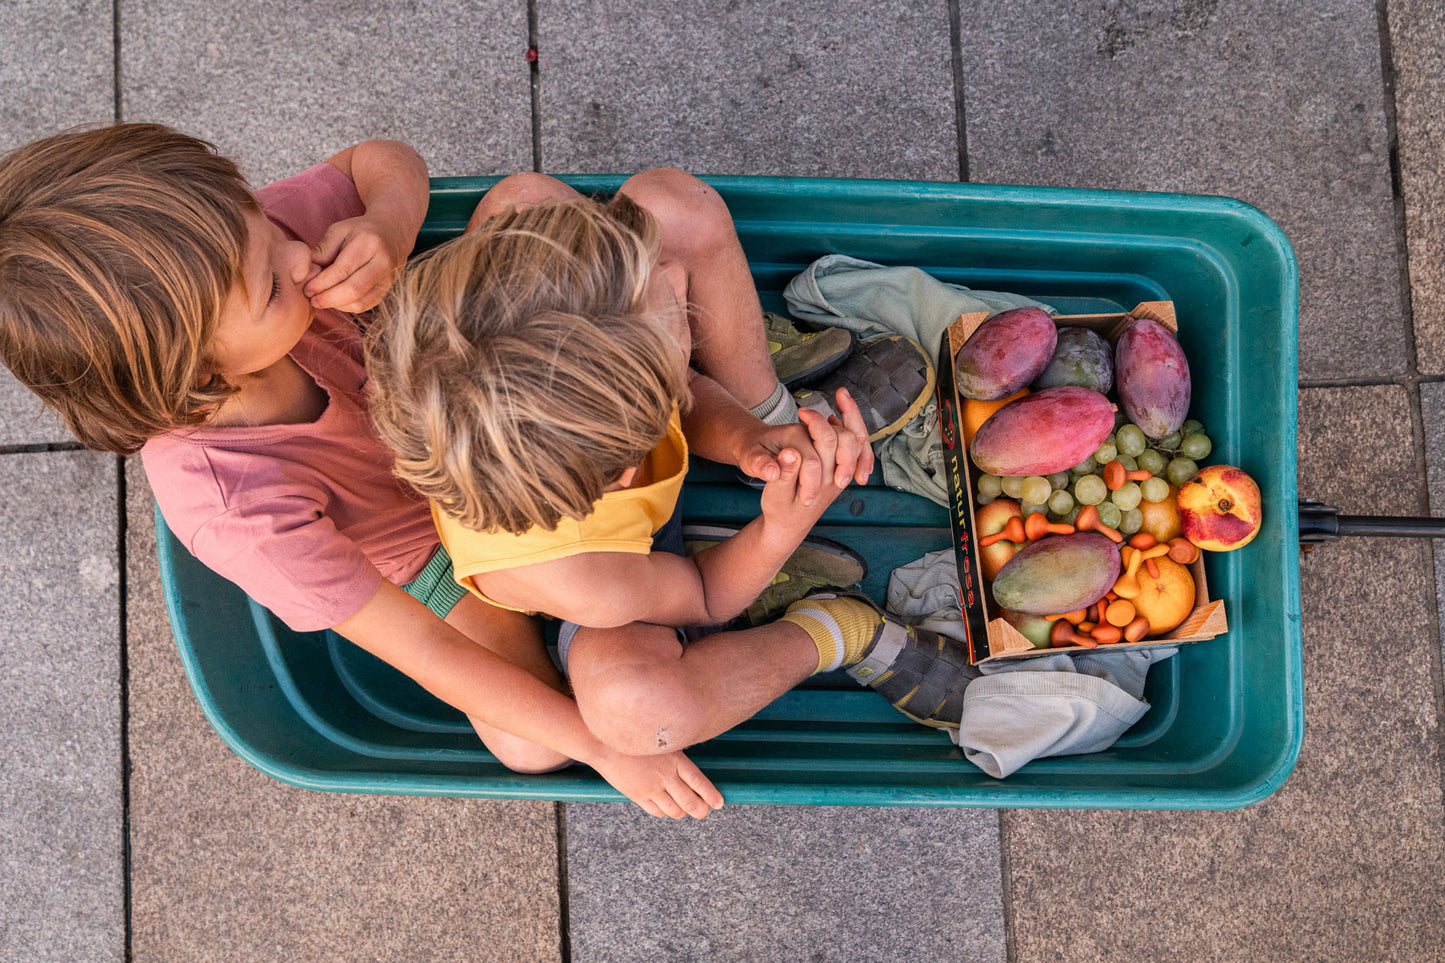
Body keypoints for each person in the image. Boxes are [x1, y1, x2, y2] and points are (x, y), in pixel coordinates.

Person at [0, 124, 733, 819]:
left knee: (530, 198)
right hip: (432, 546)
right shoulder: (230, 508)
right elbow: (420, 645)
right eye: (273, 288)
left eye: (265, 221)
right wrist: (601, 750)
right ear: (195, 377)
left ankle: (719, 389)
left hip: (480, 395)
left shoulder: (248, 248)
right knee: (532, 744)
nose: (295, 254)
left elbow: (379, 159)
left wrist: (387, 223)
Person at [366, 173, 977, 763]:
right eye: (674, 311)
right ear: (629, 466)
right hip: (617, 571)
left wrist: (755, 439)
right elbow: (707, 595)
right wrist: (783, 526)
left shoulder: (569, 387)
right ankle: (835, 628)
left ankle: (771, 409)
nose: (678, 276)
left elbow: (671, 388)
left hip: (592, 473)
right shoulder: (581, 580)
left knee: (547, 199)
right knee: (640, 710)